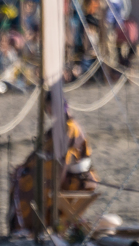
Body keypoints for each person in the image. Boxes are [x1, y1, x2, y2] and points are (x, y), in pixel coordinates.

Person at [8, 93, 98, 237]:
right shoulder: (59, 128)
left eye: (49, 107)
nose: (48, 111)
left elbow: (62, 160)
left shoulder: (70, 128)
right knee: (22, 176)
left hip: (76, 180)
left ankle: (30, 226)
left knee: (30, 185)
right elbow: (43, 152)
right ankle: (30, 225)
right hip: (67, 175)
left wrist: (54, 183)